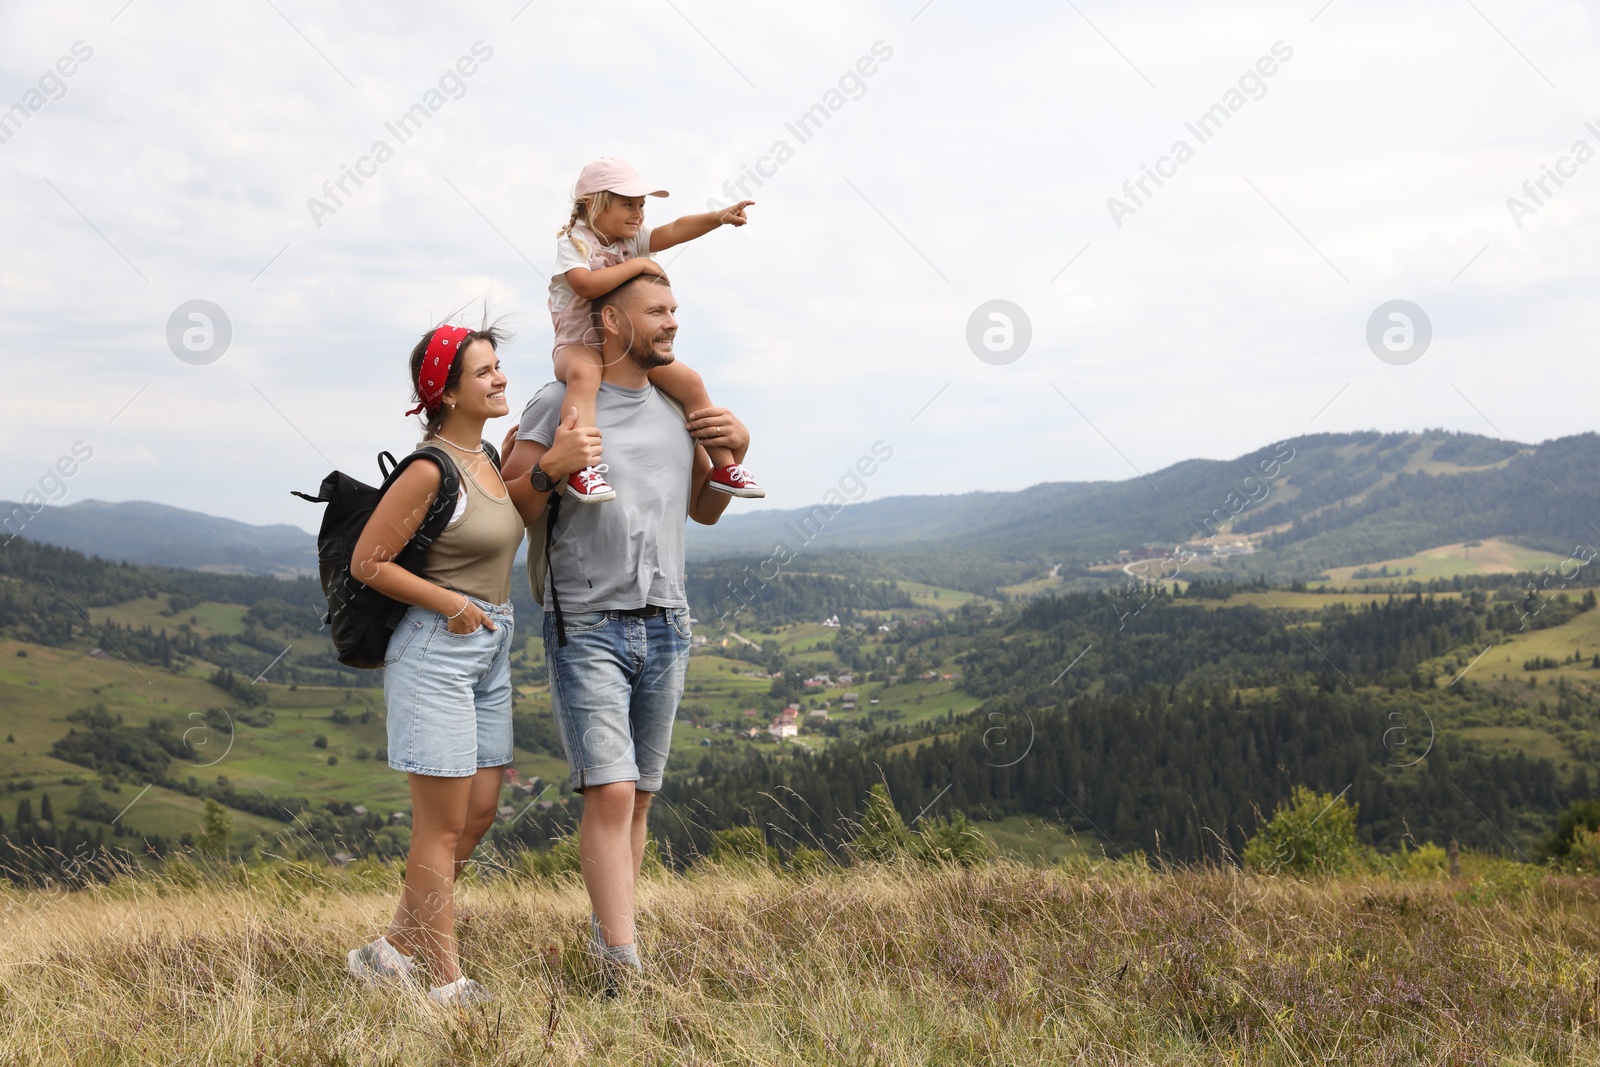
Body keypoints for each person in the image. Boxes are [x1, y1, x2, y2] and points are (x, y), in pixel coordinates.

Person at [503, 272, 749, 980]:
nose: (672, 322)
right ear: (610, 320)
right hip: (587, 618)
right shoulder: (559, 401)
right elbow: (512, 507)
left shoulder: (677, 403)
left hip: (668, 618)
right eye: (657, 311)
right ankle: (622, 963)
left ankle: (611, 935)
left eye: (675, 310)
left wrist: (735, 444)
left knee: (637, 795)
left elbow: (704, 510)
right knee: (610, 789)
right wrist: (552, 467)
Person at [340, 323, 593, 1006]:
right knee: (441, 826)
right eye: (484, 371)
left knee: (478, 812)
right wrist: (448, 601)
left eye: (498, 365)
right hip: (435, 651)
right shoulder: (430, 468)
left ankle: (389, 949)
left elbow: (510, 515)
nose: (500, 378)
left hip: (490, 644)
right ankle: (446, 982)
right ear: (448, 391)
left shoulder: (482, 454)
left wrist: (547, 468)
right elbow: (369, 561)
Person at [546, 156, 762, 504]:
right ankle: (582, 469)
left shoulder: (631, 240)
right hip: (578, 343)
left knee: (690, 382)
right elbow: (584, 285)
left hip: (626, 345)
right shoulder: (576, 241)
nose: (639, 213)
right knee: (585, 376)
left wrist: (718, 217)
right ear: (593, 206)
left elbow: (675, 230)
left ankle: (723, 466)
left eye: (641, 205)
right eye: (627, 204)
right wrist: (640, 265)